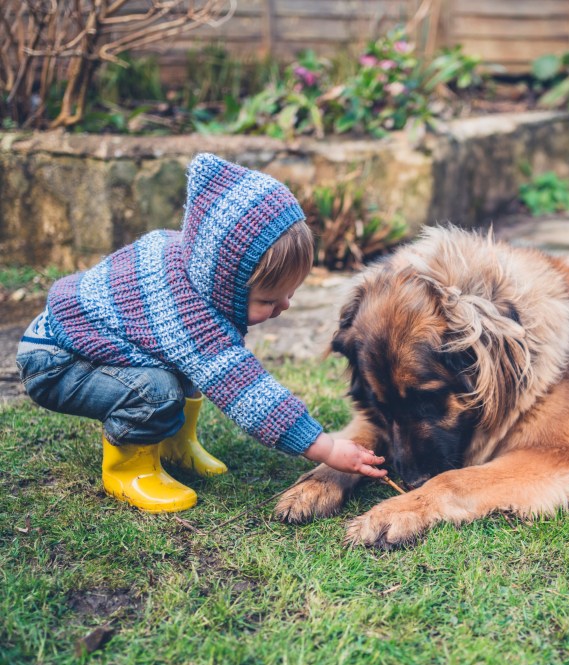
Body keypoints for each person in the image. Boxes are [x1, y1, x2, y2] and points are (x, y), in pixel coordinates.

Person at [16, 153, 386, 513]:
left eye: (290, 294)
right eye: (270, 300)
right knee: (156, 391)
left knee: (182, 368)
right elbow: (249, 392)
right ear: (224, 285)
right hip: (58, 363)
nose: (284, 307)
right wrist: (325, 448)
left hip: (79, 347)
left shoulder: (189, 260)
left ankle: (176, 444)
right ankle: (129, 470)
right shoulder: (190, 316)